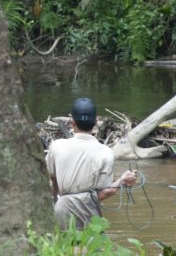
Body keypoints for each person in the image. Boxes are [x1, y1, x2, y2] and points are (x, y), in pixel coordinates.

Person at [46, 97, 137, 230]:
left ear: (72, 123)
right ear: (95, 123)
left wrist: (55, 201)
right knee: (88, 249)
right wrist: (122, 182)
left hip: (60, 212)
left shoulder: (56, 146)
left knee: (62, 249)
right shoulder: (106, 152)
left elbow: (51, 179)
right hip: (88, 214)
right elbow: (102, 194)